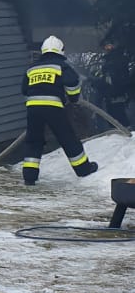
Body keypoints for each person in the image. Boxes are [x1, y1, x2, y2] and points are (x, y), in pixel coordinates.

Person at [22, 35, 98, 187]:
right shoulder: (61, 66)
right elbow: (73, 82)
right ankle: (84, 169)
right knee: (67, 138)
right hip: (53, 107)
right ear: (60, 51)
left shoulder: (32, 68)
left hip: (33, 108)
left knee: (34, 141)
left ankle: (29, 177)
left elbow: (24, 89)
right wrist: (73, 98)